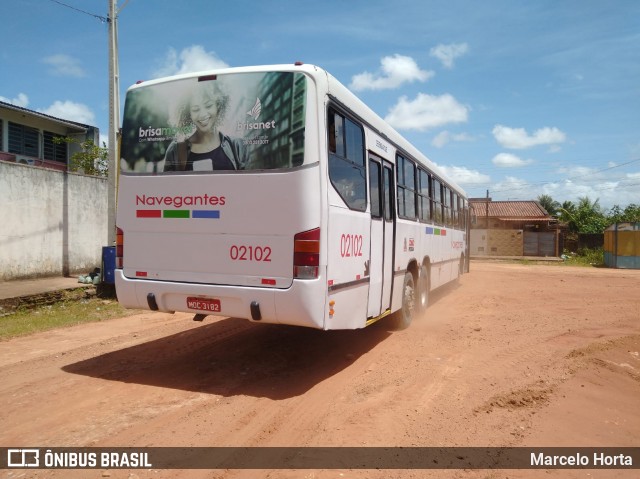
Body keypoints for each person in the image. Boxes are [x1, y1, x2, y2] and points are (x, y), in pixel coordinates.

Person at [163, 80, 247, 171]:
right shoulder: (175, 151)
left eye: (208, 106)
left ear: (218, 106)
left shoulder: (236, 146)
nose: (202, 114)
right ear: (189, 113)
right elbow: (169, 184)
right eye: (195, 109)